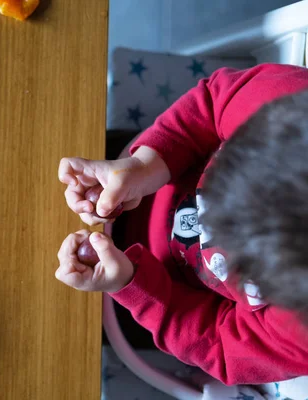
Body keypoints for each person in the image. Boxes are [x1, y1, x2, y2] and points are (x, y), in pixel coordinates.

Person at [55, 64, 308, 394]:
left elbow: (219, 346)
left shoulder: (299, 334)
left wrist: (130, 284)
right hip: (127, 164)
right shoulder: (288, 102)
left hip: (138, 299)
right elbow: (212, 104)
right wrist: (146, 164)